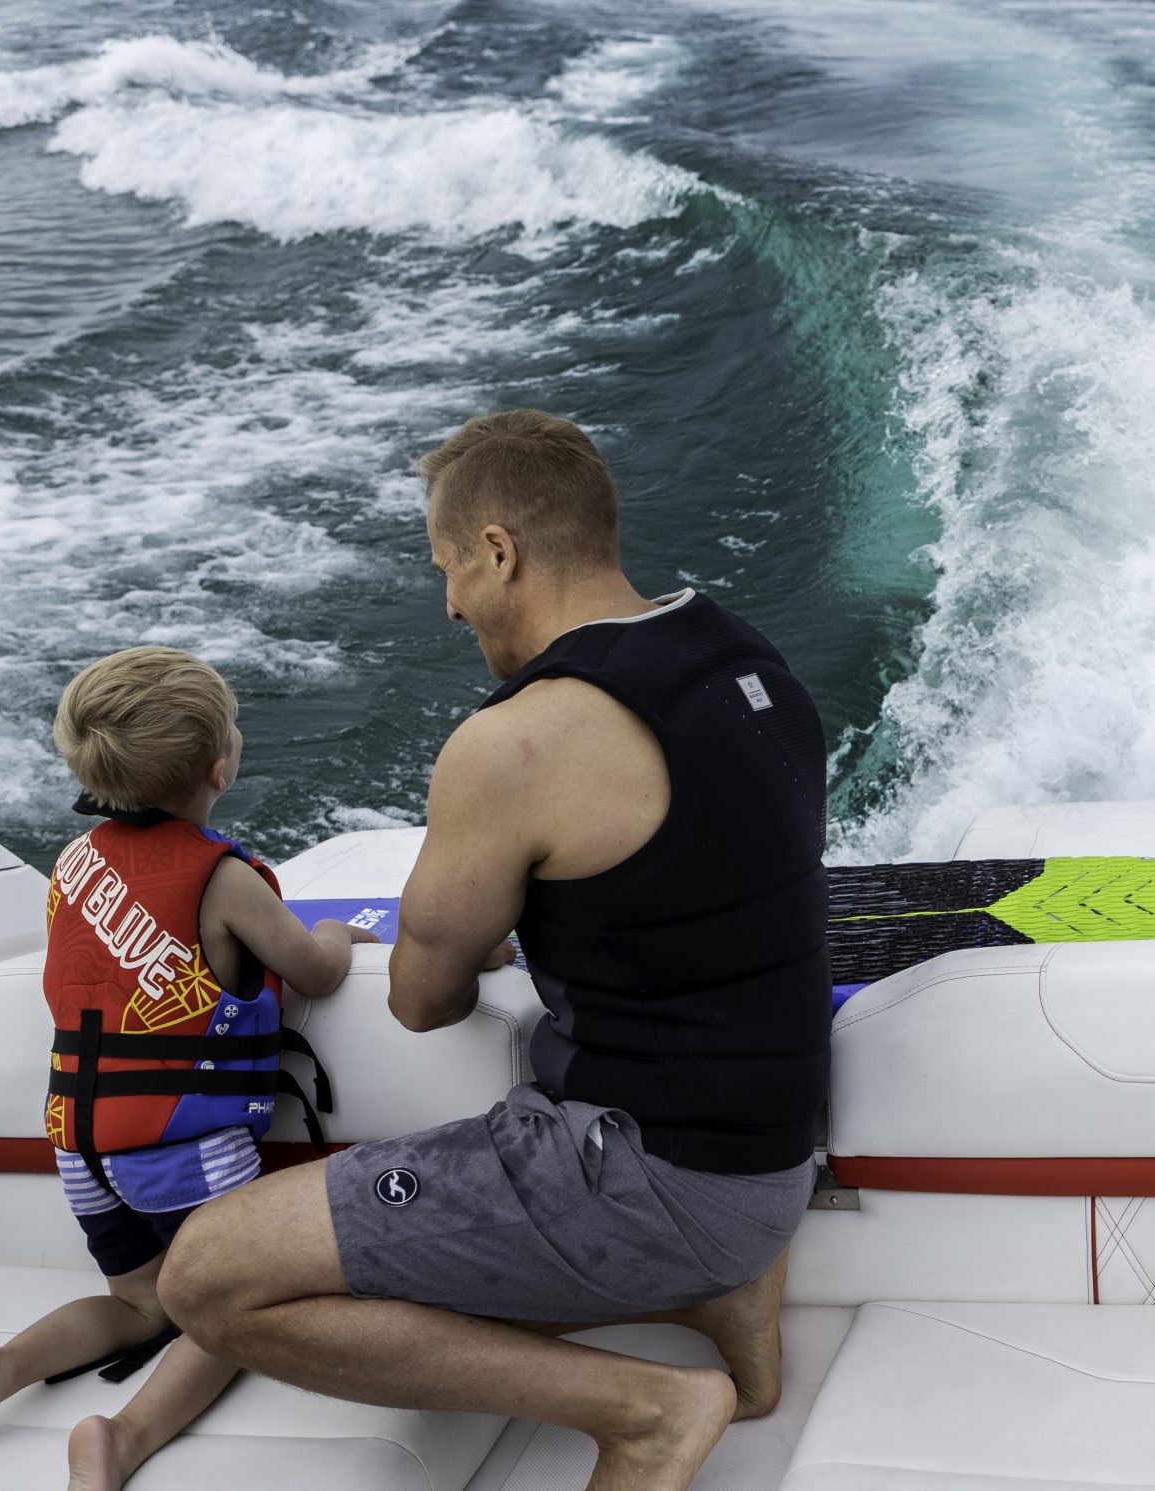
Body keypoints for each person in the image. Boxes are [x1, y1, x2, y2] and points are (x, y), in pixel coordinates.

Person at [159, 410, 831, 1491]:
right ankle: (727, 1305)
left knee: (208, 1276)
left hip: (643, 1170)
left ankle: (647, 1409)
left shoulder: (517, 741)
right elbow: (697, 887)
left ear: (499, 551)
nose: (448, 602)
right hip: (771, 1157)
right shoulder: (749, 661)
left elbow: (420, 998)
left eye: (448, 567)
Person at [0, 647, 377, 1491]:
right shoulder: (223, 876)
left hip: (77, 1138)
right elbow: (316, 969)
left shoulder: (73, 866)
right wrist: (343, 935)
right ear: (220, 762)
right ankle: (126, 1434)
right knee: (233, 1311)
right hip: (179, 1147)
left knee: (138, 1302)